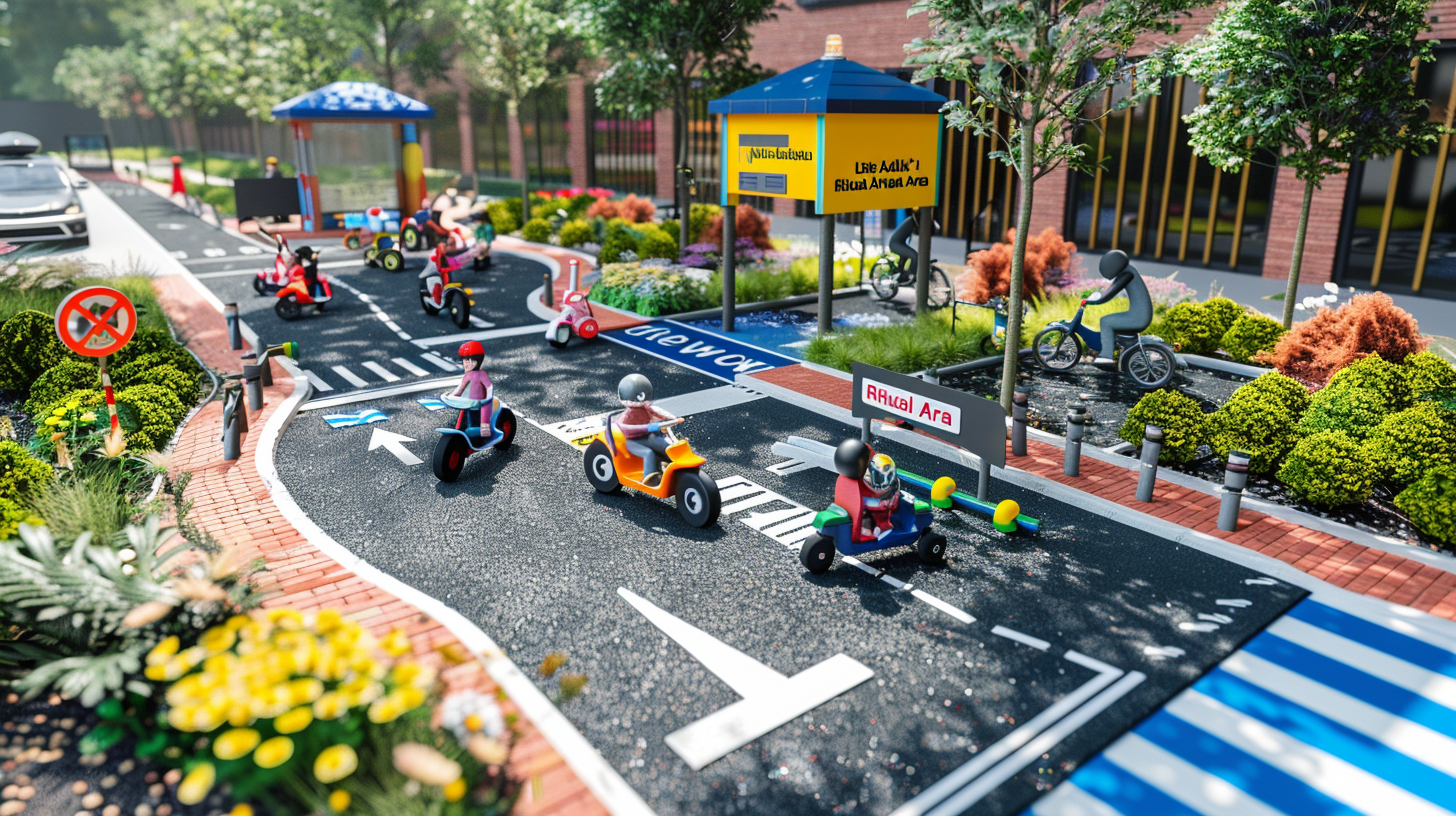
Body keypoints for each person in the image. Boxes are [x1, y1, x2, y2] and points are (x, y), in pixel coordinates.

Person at [1085, 249, 1152, 367]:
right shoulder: (1126, 272)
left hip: (1139, 317)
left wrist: (1095, 301)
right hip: (1138, 315)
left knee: (1106, 321)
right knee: (1110, 323)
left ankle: (1106, 356)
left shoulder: (1128, 274)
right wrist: (1098, 296)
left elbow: (1111, 293)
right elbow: (1111, 289)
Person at [615, 373, 677, 487]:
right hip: (633, 441)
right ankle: (649, 478)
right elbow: (625, 428)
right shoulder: (627, 415)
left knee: (666, 444)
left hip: (648, 437)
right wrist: (647, 427)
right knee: (649, 453)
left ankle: (672, 463)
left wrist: (672, 418)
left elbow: (659, 412)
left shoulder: (647, 409)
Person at [832, 441, 901, 540]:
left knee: (874, 516)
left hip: (881, 508)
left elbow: (888, 502)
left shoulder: (891, 488)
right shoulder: (861, 476)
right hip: (873, 500)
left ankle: (879, 529)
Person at [450, 340, 493, 430]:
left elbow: (489, 386)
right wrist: (451, 395)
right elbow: (460, 388)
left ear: (479, 360)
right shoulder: (468, 376)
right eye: (466, 360)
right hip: (468, 403)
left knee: (477, 423)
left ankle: (481, 435)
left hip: (478, 404)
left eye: (472, 360)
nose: (468, 364)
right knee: (463, 419)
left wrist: (487, 399)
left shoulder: (482, 375)